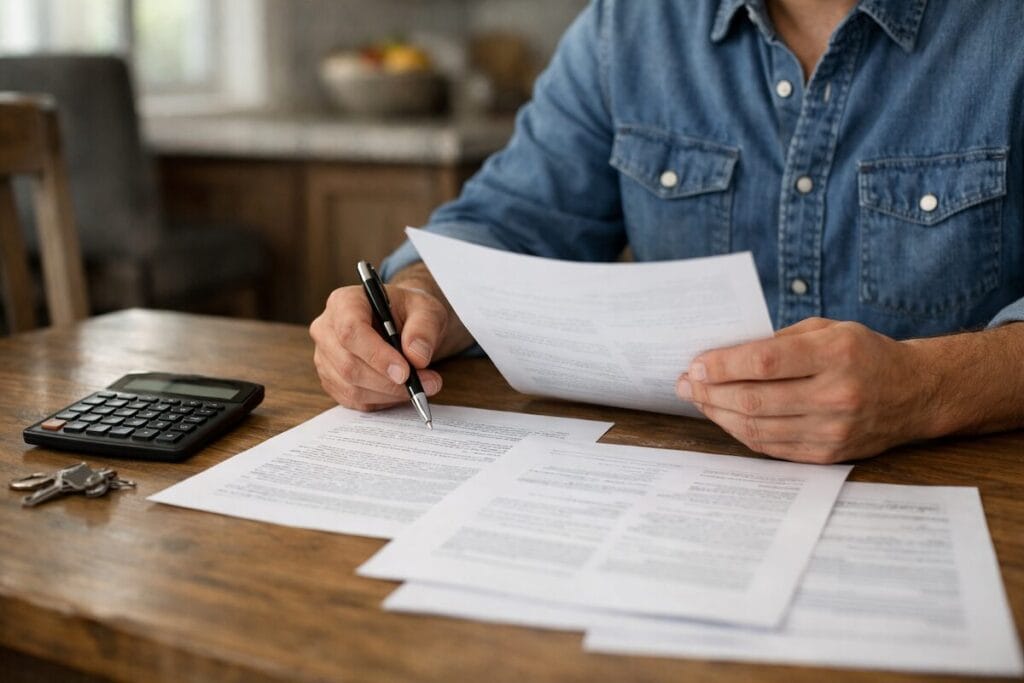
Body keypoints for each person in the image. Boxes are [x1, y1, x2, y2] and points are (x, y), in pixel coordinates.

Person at [310, 0, 1024, 464]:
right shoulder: (630, 26)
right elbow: (511, 217)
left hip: (948, 501)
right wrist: (419, 296)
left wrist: (924, 390)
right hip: (677, 501)